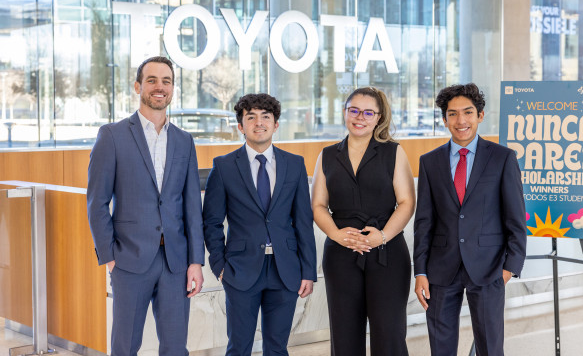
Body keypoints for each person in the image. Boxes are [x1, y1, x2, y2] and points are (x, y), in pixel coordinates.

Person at [87, 56, 205, 356]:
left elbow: (191, 205)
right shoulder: (112, 136)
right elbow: (96, 203)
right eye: (152, 80)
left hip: (175, 262)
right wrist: (109, 257)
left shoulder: (184, 141)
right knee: (125, 346)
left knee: (176, 347)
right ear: (138, 86)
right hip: (129, 260)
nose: (159, 87)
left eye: (166, 81)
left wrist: (195, 261)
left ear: (173, 90)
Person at [413, 83, 527, 356]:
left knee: (490, 347)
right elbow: (424, 221)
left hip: (489, 269)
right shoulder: (430, 161)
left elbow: (516, 218)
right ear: (444, 119)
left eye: (467, 112)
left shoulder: (502, 158)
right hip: (440, 270)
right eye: (452, 114)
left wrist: (510, 268)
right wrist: (420, 271)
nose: (460, 121)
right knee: (441, 348)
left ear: (480, 115)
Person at [202, 93, 317, 356]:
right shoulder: (223, 166)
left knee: (277, 348)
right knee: (239, 347)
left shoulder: (295, 164)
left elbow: (303, 221)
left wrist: (308, 270)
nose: (259, 122)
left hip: (285, 269)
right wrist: (219, 265)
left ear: (276, 124)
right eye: (251, 117)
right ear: (240, 126)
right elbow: (211, 221)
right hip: (240, 270)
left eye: (266, 116)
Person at [311, 86, 416, 356]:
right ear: (345, 112)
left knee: (389, 333)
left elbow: (406, 203)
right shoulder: (328, 155)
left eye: (369, 112)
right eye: (354, 110)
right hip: (340, 253)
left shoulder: (393, 152)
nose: (360, 117)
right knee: (344, 336)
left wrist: (380, 236)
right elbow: (318, 205)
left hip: (387, 251)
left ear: (379, 117)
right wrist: (335, 234)